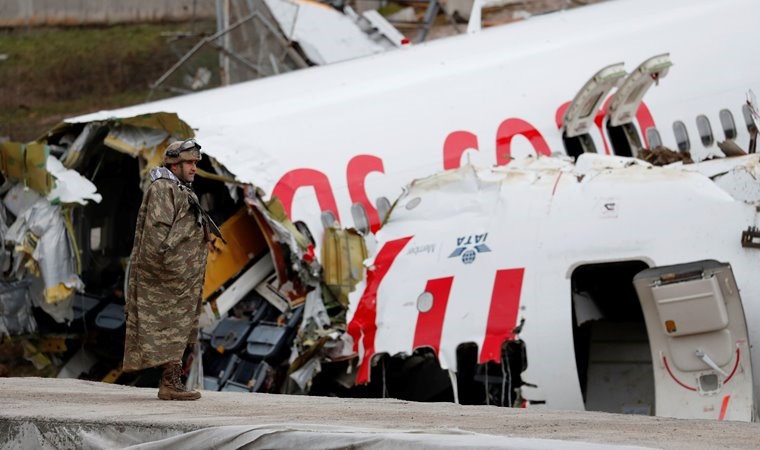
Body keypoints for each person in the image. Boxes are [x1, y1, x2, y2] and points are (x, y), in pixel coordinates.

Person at [123, 138, 211, 400]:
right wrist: (174, 270)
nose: (194, 168)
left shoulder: (179, 188)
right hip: (167, 278)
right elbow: (157, 237)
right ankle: (171, 384)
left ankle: (172, 383)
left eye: (196, 163)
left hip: (181, 280)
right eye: (189, 163)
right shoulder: (163, 189)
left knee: (175, 328)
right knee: (166, 327)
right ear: (174, 163)